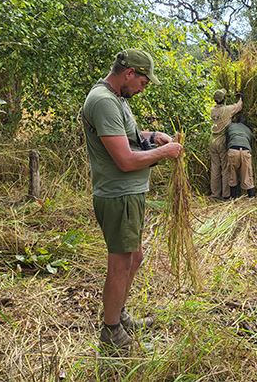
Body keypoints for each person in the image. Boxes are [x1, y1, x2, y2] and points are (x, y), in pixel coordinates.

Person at [80, 48, 183, 349]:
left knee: (133, 257)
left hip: (130, 195)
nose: (143, 88)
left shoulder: (118, 99)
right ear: (129, 74)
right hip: (119, 195)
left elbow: (131, 138)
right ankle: (111, 333)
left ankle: (119, 315)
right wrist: (164, 153)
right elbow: (125, 160)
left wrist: (154, 138)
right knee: (120, 263)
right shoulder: (102, 102)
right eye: (143, 82)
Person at [210, 89, 243, 199]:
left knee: (215, 167)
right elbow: (239, 106)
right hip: (222, 139)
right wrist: (239, 97)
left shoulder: (212, 110)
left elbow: (221, 105)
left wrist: (224, 97)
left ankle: (215, 193)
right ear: (224, 99)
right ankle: (226, 194)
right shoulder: (227, 110)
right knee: (225, 168)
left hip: (213, 140)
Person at [225, 115, 256, 198]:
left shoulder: (231, 126)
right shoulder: (248, 130)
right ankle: (251, 197)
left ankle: (233, 197)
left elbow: (227, 138)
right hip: (246, 151)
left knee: (232, 174)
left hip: (233, 150)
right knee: (247, 174)